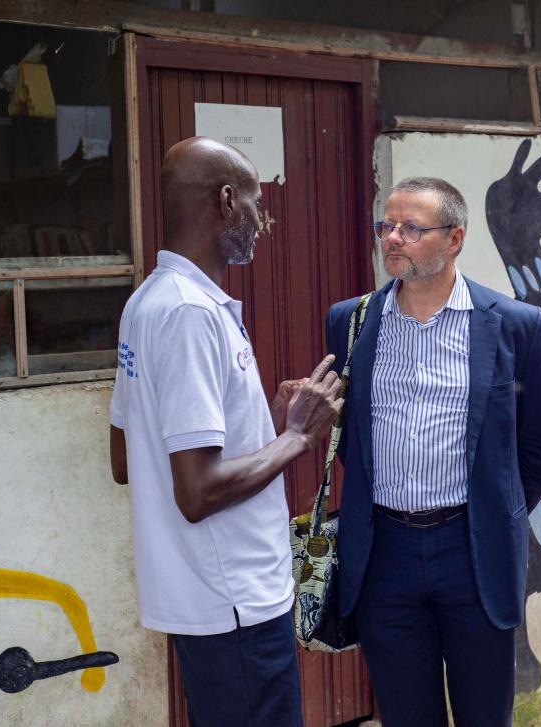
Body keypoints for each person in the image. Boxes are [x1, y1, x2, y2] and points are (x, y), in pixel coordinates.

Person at [109, 137, 342, 727]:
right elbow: (197, 492)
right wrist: (297, 437)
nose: (261, 223)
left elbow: (127, 453)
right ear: (225, 200)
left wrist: (267, 413)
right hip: (234, 600)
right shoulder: (190, 314)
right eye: (257, 205)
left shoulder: (148, 302)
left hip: (206, 599)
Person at [325, 177, 541, 727]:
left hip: (472, 551)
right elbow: (352, 440)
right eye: (386, 226)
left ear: (455, 238)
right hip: (384, 553)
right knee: (405, 715)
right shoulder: (352, 321)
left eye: (413, 228)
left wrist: (494, 507)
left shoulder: (514, 324)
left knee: (485, 714)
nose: (393, 238)